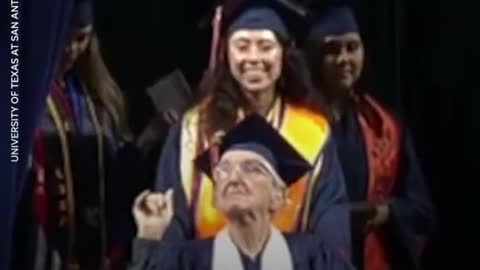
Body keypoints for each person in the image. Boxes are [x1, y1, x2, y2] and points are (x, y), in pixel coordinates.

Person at [151, 0, 351, 256]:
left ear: (283, 53)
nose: (254, 58)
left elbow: (330, 223)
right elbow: (173, 222)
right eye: (242, 46)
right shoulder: (194, 130)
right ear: (226, 54)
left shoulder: (312, 131)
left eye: (266, 47)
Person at [129, 114, 355, 270]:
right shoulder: (188, 261)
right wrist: (149, 236)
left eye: (251, 169)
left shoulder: (315, 258)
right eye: (223, 171)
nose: (234, 177)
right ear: (216, 198)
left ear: (278, 197)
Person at [12, 1, 142, 269]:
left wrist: (145, 143)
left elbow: (116, 178)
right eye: (63, 38)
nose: (71, 50)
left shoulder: (99, 98)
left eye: (81, 38)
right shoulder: (20, 96)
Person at [304, 4, 434, 270]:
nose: (344, 59)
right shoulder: (294, 124)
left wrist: (387, 213)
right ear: (315, 56)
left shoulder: (383, 125)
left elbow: (419, 207)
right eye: (332, 50)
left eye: (352, 47)